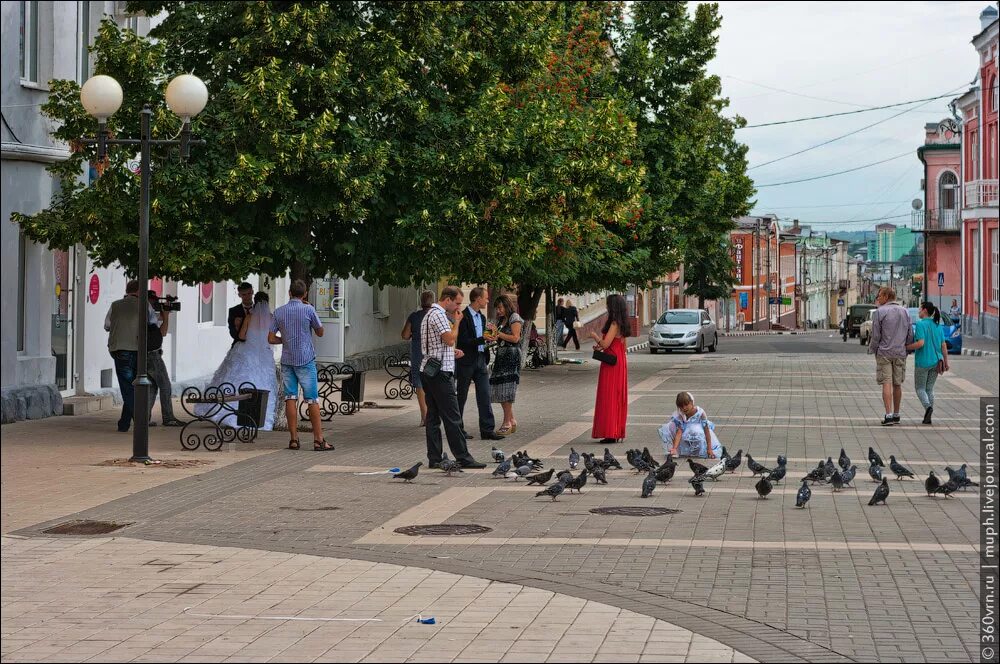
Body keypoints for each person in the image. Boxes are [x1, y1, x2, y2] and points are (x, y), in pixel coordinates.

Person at [419, 286, 486, 469]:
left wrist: (451, 352)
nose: (458, 308)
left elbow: (437, 344)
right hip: (440, 373)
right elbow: (449, 339)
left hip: (429, 369)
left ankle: (434, 457)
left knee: (433, 416)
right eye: (457, 303)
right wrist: (456, 323)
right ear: (447, 299)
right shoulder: (439, 315)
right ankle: (463, 457)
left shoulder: (428, 314)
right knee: (453, 417)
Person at [197, 291, 279, 431]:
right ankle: (260, 416)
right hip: (264, 355)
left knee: (236, 379)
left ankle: (231, 414)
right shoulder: (271, 318)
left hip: (246, 352)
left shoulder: (249, 317)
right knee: (263, 381)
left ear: (255, 300)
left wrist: (248, 335)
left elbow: (241, 335)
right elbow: (272, 337)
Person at [269, 280, 331, 450]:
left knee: (290, 397)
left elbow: (271, 338)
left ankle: (294, 439)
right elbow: (320, 332)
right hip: (306, 359)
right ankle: (318, 440)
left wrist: (285, 340)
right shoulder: (308, 309)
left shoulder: (279, 312)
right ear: (304, 294)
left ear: (289, 293)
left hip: (287, 360)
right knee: (312, 399)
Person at [456, 286, 501, 441]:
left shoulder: (481, 318)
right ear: (477, 298)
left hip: (481, 359)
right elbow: (463, 341)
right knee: (461, 396)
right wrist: (483, 338)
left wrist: (489, 339)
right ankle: (458, 429)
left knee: (484, 394)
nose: (487, 300)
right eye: (485, 298)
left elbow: (482, 339)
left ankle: (487, 430)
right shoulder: (463, 316)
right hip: (466, 361)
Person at [868, 286, 913, 426]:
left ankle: (888, 415)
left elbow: (876, 336)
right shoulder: (905, 312)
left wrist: (873, 349)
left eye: (880, 295)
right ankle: (896, 414)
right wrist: (906, 348)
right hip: (900, 353)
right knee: (897, 384)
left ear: (886, 297)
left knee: (886, 382)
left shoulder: (880, 312)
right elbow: (910, 333)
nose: (878, 298)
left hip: (884, 353)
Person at [590, 294, 630, 445]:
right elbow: (621, 346)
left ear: (613, 307)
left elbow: (606, 344)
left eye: (608, 305)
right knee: (617, 396)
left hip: (611, 365)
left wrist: (595, 336)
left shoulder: (614, 323)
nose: (606, 307)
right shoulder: (622, 323)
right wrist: (601, 346)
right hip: (619, 361)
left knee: (609, 396)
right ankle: (615, 430)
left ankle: (610, 432)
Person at [105, 280, 143, 432]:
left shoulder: (115, 305)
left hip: (119, 349)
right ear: (139, 291)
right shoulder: (144, 305)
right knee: (132, 387)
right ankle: (138, 420)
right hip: (138, 350)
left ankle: (125, 423)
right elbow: (152, 323)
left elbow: (107, 325)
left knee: (128, 387)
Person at [907, 301, 949, 425]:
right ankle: (929, 413)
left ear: (925, 310)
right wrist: (946, 362)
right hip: (937, 361)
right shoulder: (938, 326)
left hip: (923, 362)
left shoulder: (920, 325)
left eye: (920, 309)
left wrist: (907, 347)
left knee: (920, 388)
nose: (919, 312)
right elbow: (943, 345)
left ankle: (928, 408)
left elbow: (920, 343)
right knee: (929, 388)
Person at [488, 293, 524, 436]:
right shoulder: (501, 320)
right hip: (502, 356)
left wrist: (498, 334)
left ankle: (507, 422)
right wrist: (491, 336)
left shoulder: (514, 317)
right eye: (497, 308)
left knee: (507, 389)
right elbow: (498, 337)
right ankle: (512, 420)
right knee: (500, 388)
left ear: (507, 305)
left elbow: (515, 338)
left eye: (500, 307)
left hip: (511, 356)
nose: (498, 311)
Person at [145, 290, 183, 426]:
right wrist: (166, 316)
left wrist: (164, 313)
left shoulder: (146, 314)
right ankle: (168, 418)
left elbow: (157, 326)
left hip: (148, 354)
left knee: (152, 387)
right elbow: (163, 332)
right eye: (153, 301)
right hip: (152, 355)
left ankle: (145, 418)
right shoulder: (146, 314)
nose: (155, 304)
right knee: (165, 385)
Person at [401, 290, 435, 427]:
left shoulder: (414, 317)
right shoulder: (438, 316)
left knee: (420, 384)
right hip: (434, 355)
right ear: (433, 301)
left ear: (421, 302)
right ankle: (434, 415)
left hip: (418, 355)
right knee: (434, 383)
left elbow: (404, 335)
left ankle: (425, 416)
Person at [659, 391, 722, 459]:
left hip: (698, 430)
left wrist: (709, 449)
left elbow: (706, 432)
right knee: (670, 427)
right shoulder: (681, 415)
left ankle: (699, 450)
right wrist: (674, 448)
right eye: (681, 406)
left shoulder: (700, 413)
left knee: (695, 430)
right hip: (685, 430)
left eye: (686, 405)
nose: (684, 408)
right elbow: (679, 432)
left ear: (692, 403)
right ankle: (676, 450)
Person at [228, 282, 256, 347]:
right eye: (244, 294)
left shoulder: (259, 309)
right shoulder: (233, 311)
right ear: (239, 295)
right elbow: (232, 333)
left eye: (249, 293)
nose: (247, 297)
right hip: (239, 346)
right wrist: (236, 327)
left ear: (252, 292)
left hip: (256, 347)